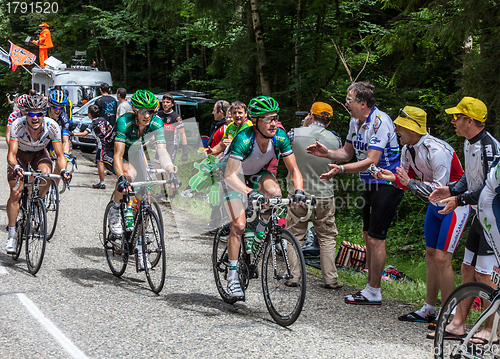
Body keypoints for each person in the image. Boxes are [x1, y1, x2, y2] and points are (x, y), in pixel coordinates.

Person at [307, 81, 404, 305]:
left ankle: (374, 290)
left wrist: (340, 169)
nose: (346, 104)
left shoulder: (380, 122)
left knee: (376, 238)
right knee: (367, 235)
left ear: (363, 103)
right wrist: (327, 153)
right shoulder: (355, 121)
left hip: (387, 183)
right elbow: (347, 152)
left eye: (349, 100)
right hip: (370, 182)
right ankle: (369, 288)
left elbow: (371, 159)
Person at [374, 106, 470, 323]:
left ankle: (449, 312)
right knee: (430, 254)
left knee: (442, 258)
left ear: (412, 128)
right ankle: (429, 308)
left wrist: (410, 182)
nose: (396, 129)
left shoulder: (436, 150)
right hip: (435, 206)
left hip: (454, 205)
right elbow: (406, 181)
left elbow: (439, 190)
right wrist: (391, 177)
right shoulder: (407, 148)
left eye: (399, 125)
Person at [428, 97, 500, 340]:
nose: (452, 121)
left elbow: (490, 189)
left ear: (469, 121)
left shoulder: (489, 147)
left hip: (495, 216)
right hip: (481, 214)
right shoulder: (469, 143)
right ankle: (459, 324)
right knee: (467, 269)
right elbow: (470, 179)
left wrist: (458, 201)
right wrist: (450, 190)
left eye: (456, 117)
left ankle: (491, 330)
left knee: (486, 275)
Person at [222, 95, 305, 299]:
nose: (273, 123)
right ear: (256, 120)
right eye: (268, 119)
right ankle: (232, 277)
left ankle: (260, 230)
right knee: (239, 226)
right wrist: (250, 193)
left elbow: (294, 169)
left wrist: (299, 192)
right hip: (233, 178)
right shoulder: (243, 138)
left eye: (275, 118)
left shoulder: (280, 137)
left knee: (275, 193)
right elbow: (230, 175)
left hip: (257, 174)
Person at [106, 90, 180, 269]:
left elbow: (162, 151)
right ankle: (115, 210)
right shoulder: (124, 121)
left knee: (145, 198)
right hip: (115, 152)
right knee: (129, 175)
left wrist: (170, 171)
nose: (147, 115)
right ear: (135, 110)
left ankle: (140, 248)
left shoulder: (156, 122)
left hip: (135, 151)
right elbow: (118, 155)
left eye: (151, 111)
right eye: (143, 111)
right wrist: (121, 177)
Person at [286, 102, 343, 289]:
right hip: (324, 194)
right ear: (329, 120)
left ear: (311, 115)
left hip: (298, 193)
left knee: (296, 233)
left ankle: (293, 276)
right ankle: (330, 279)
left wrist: (303, 127)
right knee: (326, 236)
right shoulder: (336, 140)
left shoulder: (294, 133)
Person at [5, 95, 71, 253]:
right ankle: (12, 235)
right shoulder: (17, 125)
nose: (35, 118)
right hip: (20, 155)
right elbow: (11, 154)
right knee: (16, 192)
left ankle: (37, 203)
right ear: (26, 113)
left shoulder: (52, 126)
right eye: (32, 114)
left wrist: (63, 170)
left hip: (38, 154)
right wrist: (15, 166)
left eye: (39, 114)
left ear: (44, 113)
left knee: (46, 174)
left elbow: (60, 155)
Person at [72, 104, 113, 189]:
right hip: (108, 143)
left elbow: (84, 134)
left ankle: (102, 183)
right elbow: (110, 127)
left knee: (100, 162)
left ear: (90, 114)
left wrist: (72, 134)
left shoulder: (92, 124)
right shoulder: (103, 119)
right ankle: (103, 180)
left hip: (101, 145)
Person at [46, 89, 72, 179]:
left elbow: (65, 140)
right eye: (55, 107)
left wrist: (65, 153)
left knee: (62, 160)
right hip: (42, 141)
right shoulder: (43, 114)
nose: (58, 110)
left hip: (55, 142)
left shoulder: (64, 118)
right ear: (49, 105)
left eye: (61, 108)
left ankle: (54, 185)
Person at [156, 93, 188, 162]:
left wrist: (185, 152)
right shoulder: (158, 114)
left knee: (168, 166)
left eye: (168, 102)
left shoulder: (176, 117)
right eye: (164, 102)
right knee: (157, 167)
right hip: (161, 143)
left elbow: (183, 135)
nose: (165, 104)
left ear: (172, 104)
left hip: (171, 145)